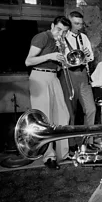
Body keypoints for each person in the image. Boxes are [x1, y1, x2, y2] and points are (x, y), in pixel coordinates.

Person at [25, 16, 71, 170]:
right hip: (39, 76)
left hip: (53, 77)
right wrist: (50, 56)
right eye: (58, 29)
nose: (60, 34)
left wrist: (61, 60)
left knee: (63, 115)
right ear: (52, 26)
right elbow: (28, 61)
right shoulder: (42, 37)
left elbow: (57, 65)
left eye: (64, 32)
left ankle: (63, 153)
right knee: (45, 119)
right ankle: (49, 156)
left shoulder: (61, 42)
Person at [59, 11, 96, 151]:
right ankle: (71, 144)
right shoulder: (63, 36)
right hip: (68, 74)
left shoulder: (83, 37)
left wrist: (87, 56)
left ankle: (88, 141)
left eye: (81, 24)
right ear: (69, 21)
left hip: (82, 74)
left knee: (91, 109)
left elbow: (91, 57)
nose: (79, 27)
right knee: (70, 112)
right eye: (76, 23)